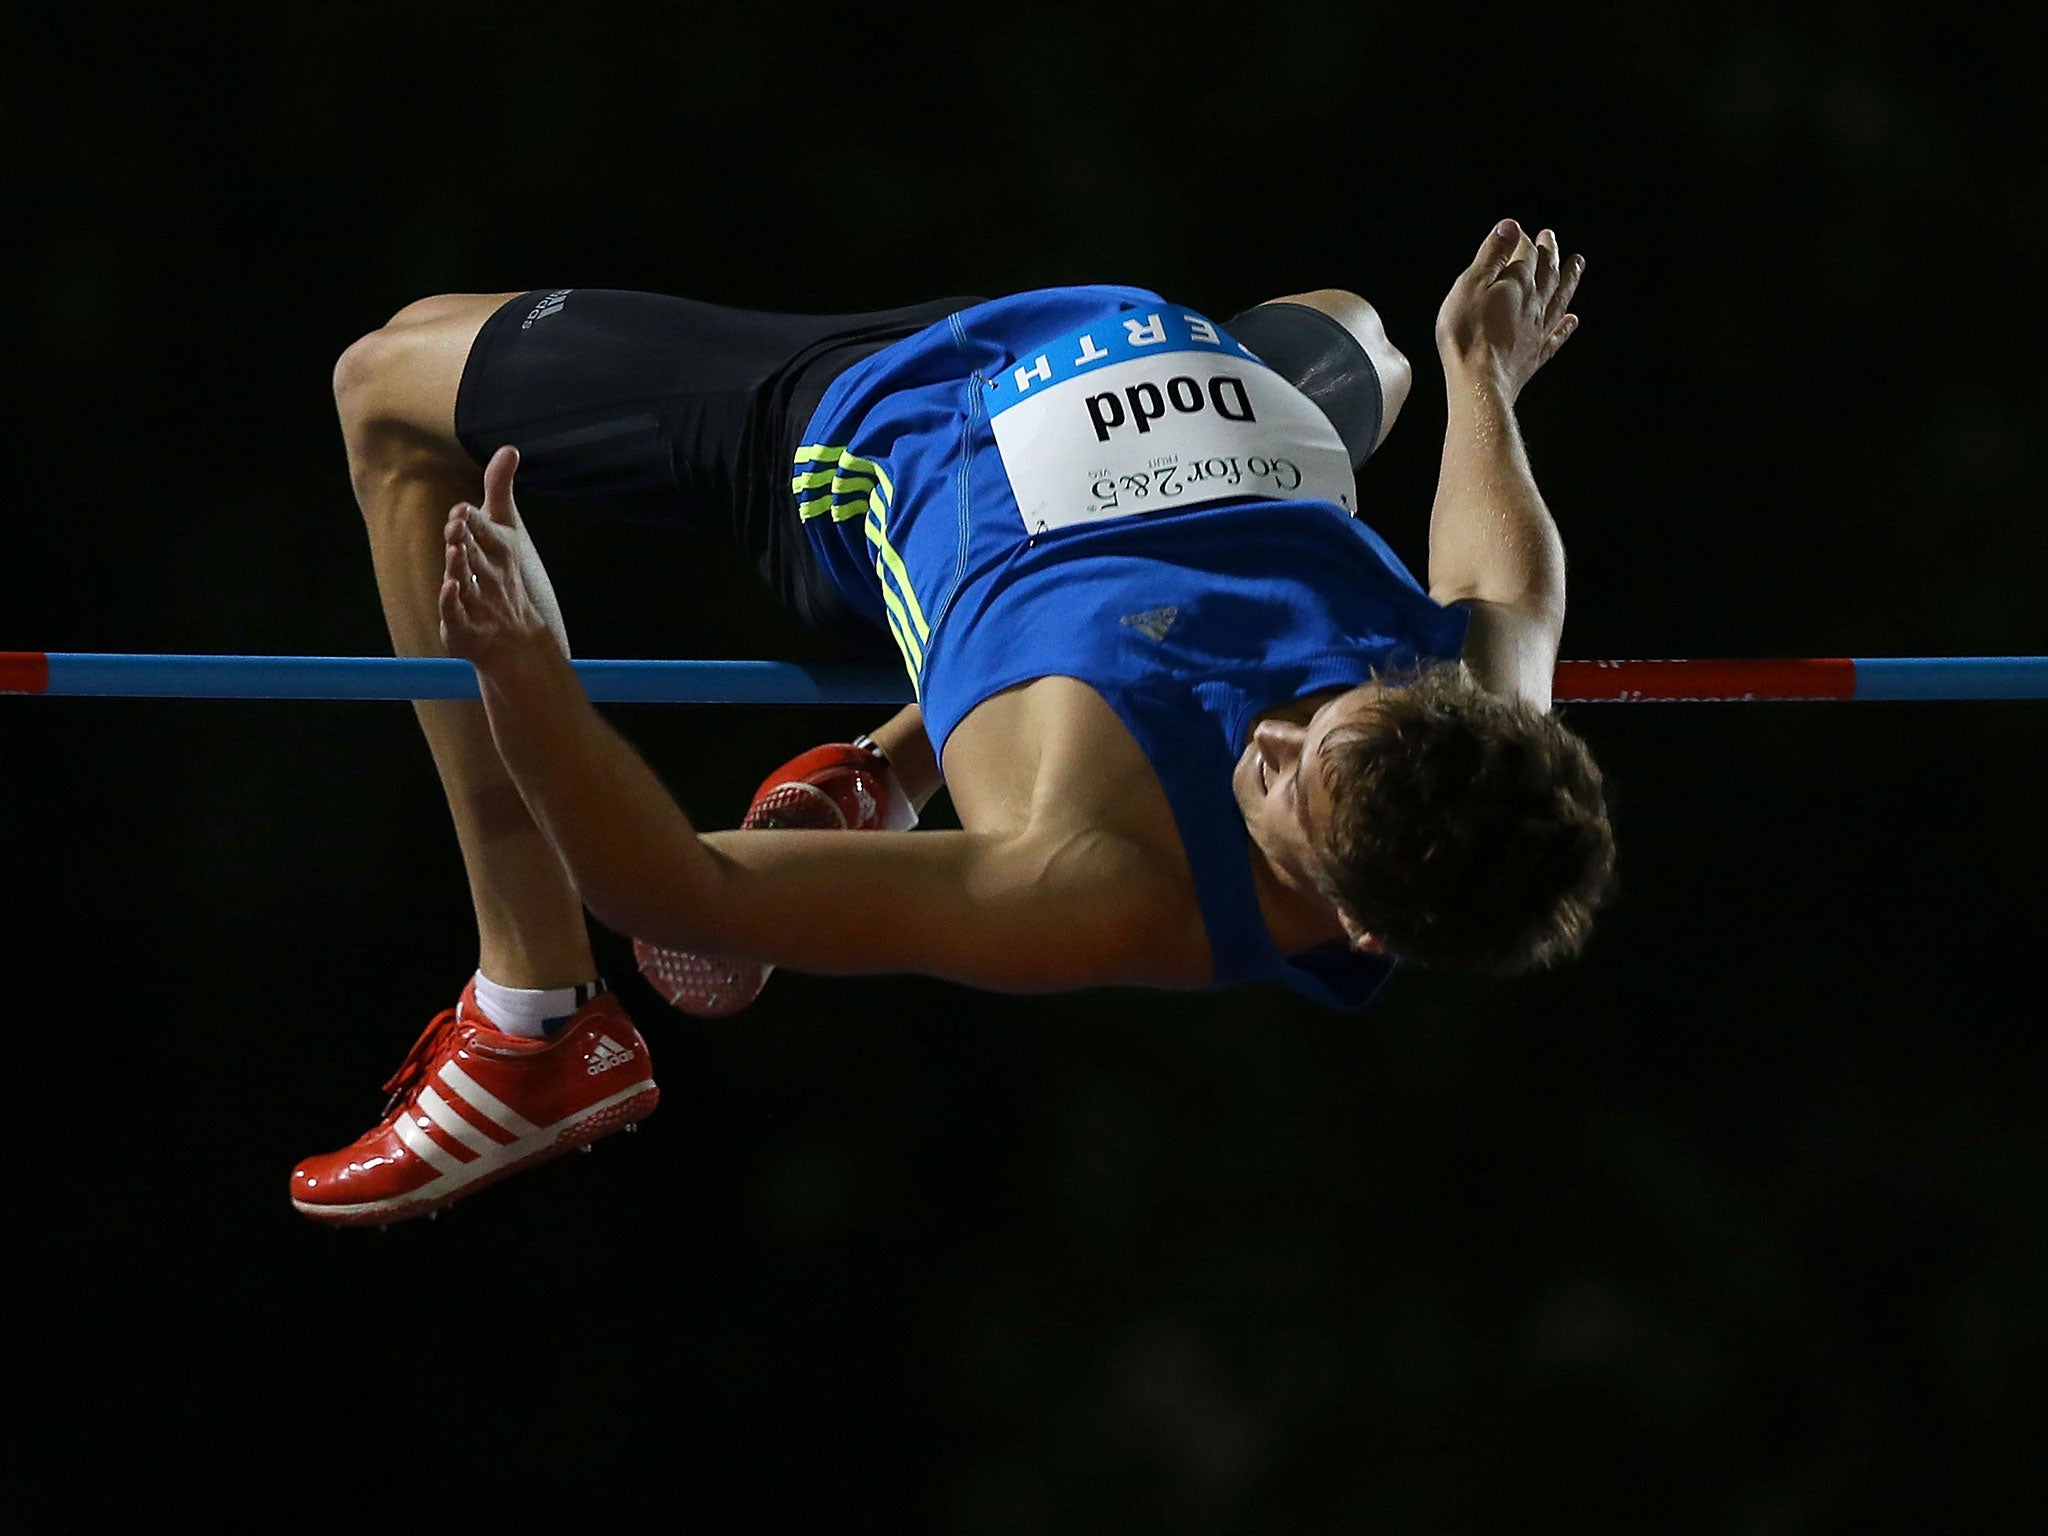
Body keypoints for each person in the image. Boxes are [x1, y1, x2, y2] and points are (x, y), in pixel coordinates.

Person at [291, 218, 1617, 1227]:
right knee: (1360, 335)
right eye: (1330, 717)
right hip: (1131, 367)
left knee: (385, 386)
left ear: (1357, 926)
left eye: (1284, 796)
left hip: (879, 415)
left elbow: (675, 887)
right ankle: (898, 759)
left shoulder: (1095, 884)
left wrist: (531, 675)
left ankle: (530, 1021)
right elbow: (1509, 580)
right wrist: (1482, 376)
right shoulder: (1477, 733)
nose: (1269, 738)